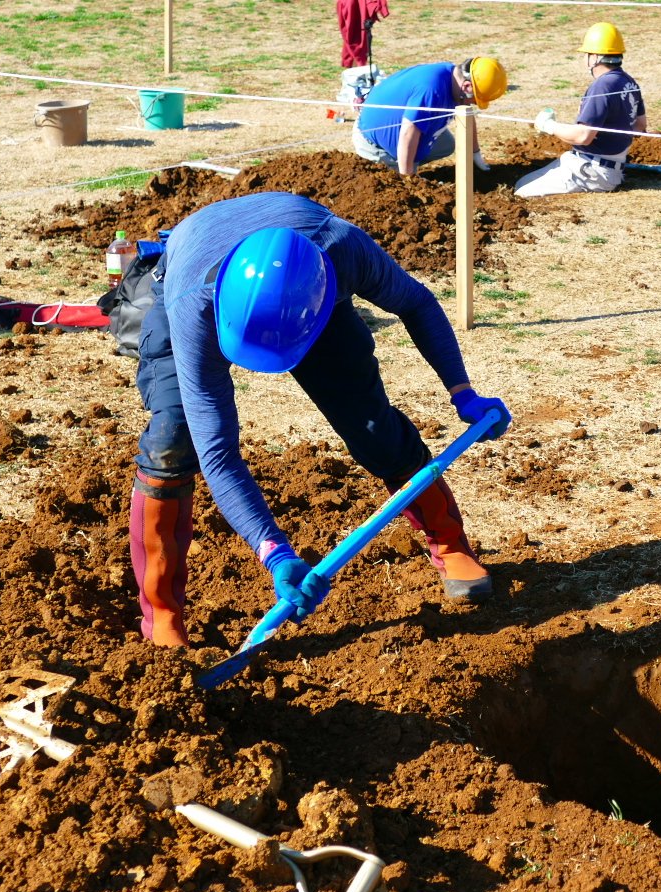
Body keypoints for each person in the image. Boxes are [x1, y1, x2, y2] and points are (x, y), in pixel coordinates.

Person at [131, 192, 511, 647]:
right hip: (198, 277)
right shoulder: (194, 307)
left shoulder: (342, 249)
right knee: (174, 439)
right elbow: (218, 454)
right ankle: (164, 616)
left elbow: (416, 304)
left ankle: (450, 544)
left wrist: (462, 392)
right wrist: (275, 552)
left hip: (302, 285)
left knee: (370, 423)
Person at [515, 22, 647, 198]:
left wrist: (549, 125)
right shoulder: (629, 82)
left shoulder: (602, 86)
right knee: (522, 183)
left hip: (593, 172)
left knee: (521, 192)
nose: (585, 59)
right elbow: (640, 126)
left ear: (595, 57)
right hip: (603, 166)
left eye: (587, 54)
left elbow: (583, 136)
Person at [353, 58, 507, 175]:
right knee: (398, 182)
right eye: (474, 99)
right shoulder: (431, 90)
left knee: (446, 145)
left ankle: (412, 161)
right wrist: (408, 181)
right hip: (374, 144)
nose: (472, 103)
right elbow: (408, 133)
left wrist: (475, 153)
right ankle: (400, 166)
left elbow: (466, 112)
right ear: (466, 86)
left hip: (404, 130)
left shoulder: (452, 77)